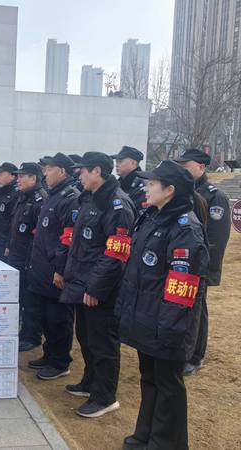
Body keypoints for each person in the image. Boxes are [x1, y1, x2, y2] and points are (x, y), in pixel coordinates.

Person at [116, 160, 209, 450]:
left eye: (152, 183)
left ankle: (166, 443)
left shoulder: (185, 229)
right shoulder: (152, 217)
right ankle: (146, 434)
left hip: (167, 323)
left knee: (168, 385)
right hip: (147, 318)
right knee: (149, 378)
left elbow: (182, 288)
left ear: (170, 190)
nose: (146, 187)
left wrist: (168, 328)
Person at [60, 152, 135, 418]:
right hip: (82, 282)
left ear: (97, 171)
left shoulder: (118, 205)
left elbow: (115, 255)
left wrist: (95, 288)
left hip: (101, 289)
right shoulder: (90, 198)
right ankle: (90, 382)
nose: (79, 176)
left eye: (83, 171)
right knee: (86, 336)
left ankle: (104, 397)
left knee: (103, 343)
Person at [175, 148, 231, 376]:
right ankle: (183, 350)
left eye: (186, 165)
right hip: (182, 262)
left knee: (198, 309)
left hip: (200, 264)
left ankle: (195, 356)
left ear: (201, 167)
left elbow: (216, 237)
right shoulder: (183, 191)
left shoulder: (214, 196)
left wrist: (206, 268)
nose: (182, 169)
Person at [26, 153, 80, 379]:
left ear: (62, 171)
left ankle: (60, 362)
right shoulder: (54, 195)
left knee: (59, 319)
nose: (45, 173)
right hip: (43, 269)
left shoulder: (70, 198)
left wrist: (60, 269)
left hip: (56, 271)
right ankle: (49, 355)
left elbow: (68, 239)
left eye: (49, 169)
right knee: (47, 317)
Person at [7, 162, 47, 352]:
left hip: (28, 259)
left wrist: (30, 260)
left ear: (33, 178)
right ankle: (25, 332)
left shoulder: (40, 200)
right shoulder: (23, 197)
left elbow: (39, 236)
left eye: (22, 176)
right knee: (21, 297)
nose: (18, 179)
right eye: (18, 175)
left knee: (30, 300)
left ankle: (32, 336)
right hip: (17, 255)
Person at [0, 162, 18, 261]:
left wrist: (8, 244)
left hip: (4, 243)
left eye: (1, 175)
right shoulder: (1, 192)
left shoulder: (16, 194)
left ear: (12, 176)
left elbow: (13, 222)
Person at [111, 146, 148, 217]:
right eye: (116, 162)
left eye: (120, 161)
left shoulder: (142, 186)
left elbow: (136, 215)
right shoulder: (118, 184)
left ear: (133, 163)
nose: (116, 165)